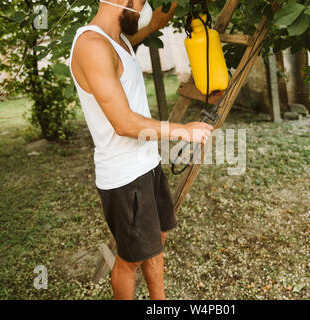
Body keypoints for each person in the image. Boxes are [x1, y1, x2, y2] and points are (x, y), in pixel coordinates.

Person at [69, 0, 214, 300]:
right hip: (124, 177)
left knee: (157, 240)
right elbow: (122, 122)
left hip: (146, 163)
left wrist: (168, 11)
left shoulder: (118, 39)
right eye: (142, 2)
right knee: (131, 259)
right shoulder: (91, 45)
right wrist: (182, 130)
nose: (145, 8)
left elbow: (152, 23)